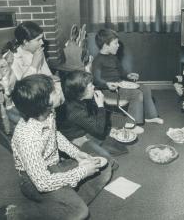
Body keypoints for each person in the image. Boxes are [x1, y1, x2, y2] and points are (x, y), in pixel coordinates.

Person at [10, 74, 112, 220]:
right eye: (54, 90)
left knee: (104, 165)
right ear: (45, 102)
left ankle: (63, 202)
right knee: (79, 213)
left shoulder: (47, 113)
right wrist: (81, 172)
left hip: (55, 166)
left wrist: (76, 153)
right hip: (32, 181)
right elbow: (42, 183)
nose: (60, 90)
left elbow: (55, 134)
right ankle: (21, 213)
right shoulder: (27, 137)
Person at [91, 29, 164, 134]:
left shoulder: (113, 57)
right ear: (106, 45)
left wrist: (128, 75)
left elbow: (120, 72)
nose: (118, 45)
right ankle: (131, 125)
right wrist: (107, 84)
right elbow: (96, 80)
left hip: (120, 86)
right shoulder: (97, 61)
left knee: (145, 88)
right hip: (109, 91)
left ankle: (150, 116)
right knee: (136, 94)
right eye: (115, 43)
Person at [57, 70, 128, 162]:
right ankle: (68, 156)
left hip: (84, 129)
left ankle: (94, 144)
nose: (94, 87)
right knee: (109, 161)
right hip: (75, 138)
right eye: (91, 86)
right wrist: (101, 106)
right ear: (81, 91)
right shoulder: (75, 112)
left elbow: (92, 115)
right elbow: (99, 130)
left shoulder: (77, 96)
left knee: (121, 148)